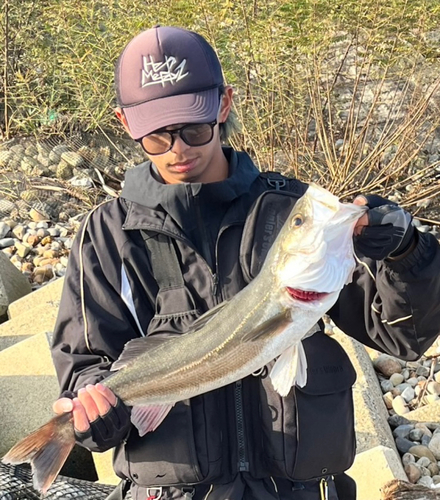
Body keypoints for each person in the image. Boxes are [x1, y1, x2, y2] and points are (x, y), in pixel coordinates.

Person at [51, 25, 440, 500]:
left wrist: (405, 252)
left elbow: (402, 334)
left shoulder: (293, 211)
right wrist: (96, 414)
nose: (179, 149)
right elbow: (84, 367)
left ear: (224, 104)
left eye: (194, 127)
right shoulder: (107, 235)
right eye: (156, 135)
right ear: (125, 123)